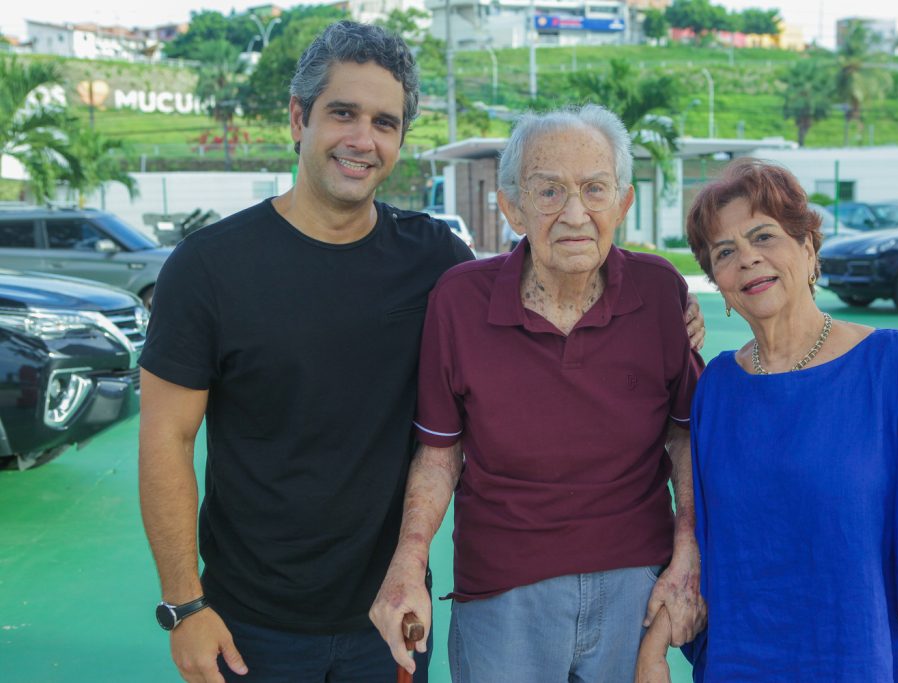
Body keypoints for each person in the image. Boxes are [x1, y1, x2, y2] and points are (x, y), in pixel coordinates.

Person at [137, 22, 475, 683]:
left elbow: (533, 304)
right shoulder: (209, 267)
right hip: (248, 626)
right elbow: (165, 438)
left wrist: (670, 309)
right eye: (342, 113)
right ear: (299, 118)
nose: (362, 139)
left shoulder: (436, 260)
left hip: (389, 615)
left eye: (385, 122)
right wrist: (184, 604)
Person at [370, 104, 707, 682]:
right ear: (513, 206)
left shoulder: (660, 292)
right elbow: (440, 451)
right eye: (549, 191)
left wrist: (688, 556)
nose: (575, 214)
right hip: (503, 590)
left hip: (634, 584)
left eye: (595, 189)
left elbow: (684, 437)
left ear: (622, 204)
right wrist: (409, 561)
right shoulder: (459, 300)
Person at [636, 158, 898, 683]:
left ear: (808, 247)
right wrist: (653, 647)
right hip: (741, 663)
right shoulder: (716, 386)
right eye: (725, 252)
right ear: (716, 280)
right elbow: (702, 540)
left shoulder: (892, 364)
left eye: (764, 236)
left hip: (862, 658)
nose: (747, 260)